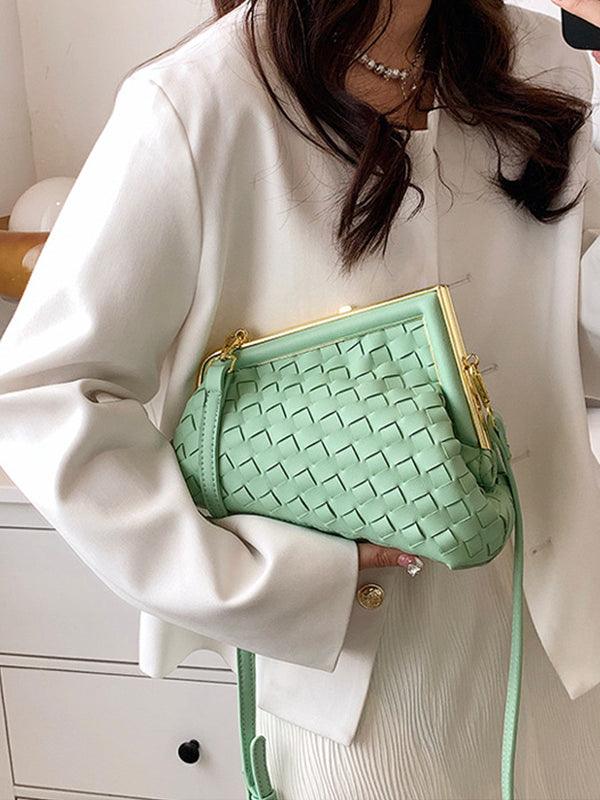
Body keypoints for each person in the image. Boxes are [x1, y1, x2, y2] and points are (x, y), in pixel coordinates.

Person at [2, 1, 600, 797]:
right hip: (365, 681)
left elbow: (571, 337)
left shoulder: (549, 62)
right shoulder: (201, 101)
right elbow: (44, 394)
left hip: (562, 639)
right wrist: (265, 578)